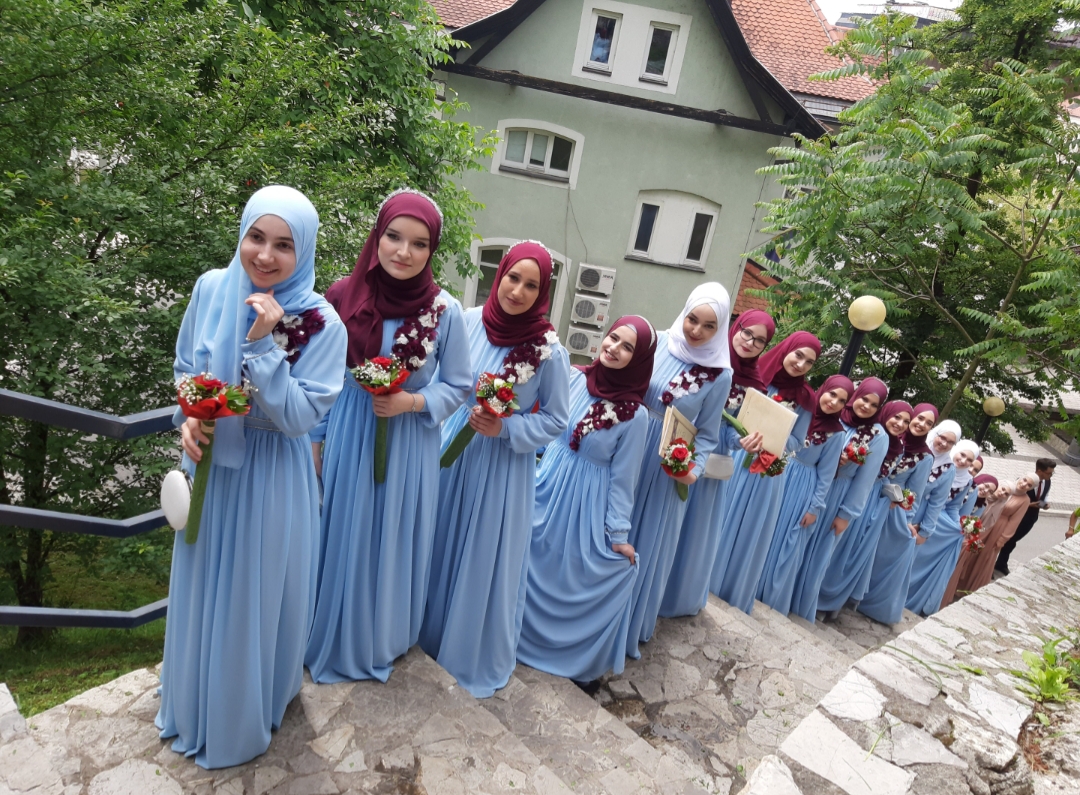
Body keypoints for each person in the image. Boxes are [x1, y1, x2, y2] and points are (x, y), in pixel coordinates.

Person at [157, 186, 348, 768]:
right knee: (202, 583)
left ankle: (238, 715)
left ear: (304, 250)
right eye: (256, 238)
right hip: (209, 466)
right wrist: (190, 416)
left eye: (284, 245)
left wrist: (263, 346)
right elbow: (186, 367)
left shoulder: (322, 323)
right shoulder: (212, 288)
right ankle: (193, 701)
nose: (265, 255)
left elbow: (299, 418)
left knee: (250, 595)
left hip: (270, 474)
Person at [305, 189, 472, 684]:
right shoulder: (343, 295)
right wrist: (315, 439)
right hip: (351, 429)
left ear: (432, 250)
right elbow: (322, 375)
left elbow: (458, 384)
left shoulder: (446, 310)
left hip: (409, 439)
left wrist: (411, 403)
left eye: (419, 244)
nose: (404, 252)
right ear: (377, 236)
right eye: (394, 237)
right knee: (344, 526)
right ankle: (331, 627)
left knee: (394, 532)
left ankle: (380, 636)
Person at [419, 242, 570, 698]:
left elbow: (556, 420)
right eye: (512, 278)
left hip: (501, 471)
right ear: (499, 275)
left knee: (479, 552)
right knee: (432, 535)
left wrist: (506, 428)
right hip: (449, 449)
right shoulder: (466, 321)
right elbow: (440, 381)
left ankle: (462, 648)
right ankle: (416, 628)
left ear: (543, 293)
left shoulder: (549, 353)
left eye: (532, 285)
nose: (518, 291)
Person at [518, 316, 656, 683]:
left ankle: (554, 648)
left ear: (639, 359)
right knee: (526, 552)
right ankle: (509, 627)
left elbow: (624, 480)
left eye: (628, 347)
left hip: (583, 501)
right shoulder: (575, 378)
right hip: (546, 480)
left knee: (564, 568)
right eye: (613, 338)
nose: (614, 348)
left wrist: (619, 536)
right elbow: (548, 429)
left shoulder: (636, 417)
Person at [623, 285, 732, 656]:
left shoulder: (719, 375)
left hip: (665, 467)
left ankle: (625, 623)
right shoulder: (655, 341)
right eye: (692, 319)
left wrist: (692, 470)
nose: (696, 330)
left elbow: (709, 434)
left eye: (709, 326)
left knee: (644, 539)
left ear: (721, 329)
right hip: (627, 444)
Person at [660, 310, 775, 618]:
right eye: (746, 333)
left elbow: (737, 431)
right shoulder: (702, 358)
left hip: (709, 462)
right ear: (734, 328)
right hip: (674, 444)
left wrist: (742, 441)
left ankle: (674, 596)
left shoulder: (755, 387)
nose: (750, 342)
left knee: (693, 530)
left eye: (760, 341)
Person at [712, 331, 821, 614]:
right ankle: (705, 576)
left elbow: (797, 441)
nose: (800, 364)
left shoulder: (806, 398)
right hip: (737, 454)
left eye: (809, 362)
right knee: (720, 513)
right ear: (786, 349)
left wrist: (773, 440)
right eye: (798, 355)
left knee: (750, 528)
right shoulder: (754, 374)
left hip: (767, 472)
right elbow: (730, 412)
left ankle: (733, 589)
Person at [789, 377, 890, 622]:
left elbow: (865, 480)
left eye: (873, 405)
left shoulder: (878, 436)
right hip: (810, 484)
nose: (866, 406)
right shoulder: (835, 413)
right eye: (864, 399)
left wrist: (846, 514)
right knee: (794, 537)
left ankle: (799, 603)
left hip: (838, 494)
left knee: (817, 552)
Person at [756, 375, 853, 615]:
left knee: (783, 539)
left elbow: (827, 474)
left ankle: (766, 593)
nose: (833, 402)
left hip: (800, 487)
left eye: (842, 401)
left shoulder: (836, 434)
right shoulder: (800, 410)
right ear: (823, 390)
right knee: (762, 529)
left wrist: (814, 507)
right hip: (776, 472)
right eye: (832, 394)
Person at [819, 400, 913, 620]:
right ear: (885, 413)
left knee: (847, 551)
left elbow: (883, 475)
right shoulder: (867, 433)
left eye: (905, 421)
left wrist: (893, 494)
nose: (900, 424)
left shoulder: (898, 448)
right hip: (847, 491)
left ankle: (828, 602)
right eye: (896, 417)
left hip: (871, 500)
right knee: (830, 544)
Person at [905, 437, 980, 616]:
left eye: (969, 460)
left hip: (937, 518)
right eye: (962, 455)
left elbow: (953, 506)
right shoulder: (938, 464)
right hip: (917, 507)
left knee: (920, 556)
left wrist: (959, 527)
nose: (964, 461)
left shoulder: (967, 481)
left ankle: (912, 595)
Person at [941, 474, 1005, 605]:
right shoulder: (963, 491)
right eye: (985, 485)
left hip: (957, 535)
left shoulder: (981, 505)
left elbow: (972, 522)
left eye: (990, 491)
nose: (985, 491)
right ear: (980, 481)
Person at [995, 457, 1056, 575]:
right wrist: (1029, 504)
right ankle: (990, 563)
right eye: (1049, 473)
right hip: (1017, 517)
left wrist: (1045, 503)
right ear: (1040, 471)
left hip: (1030, 518)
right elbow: (1011, 498)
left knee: (1013, 541)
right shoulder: (1024, 482)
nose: (1051, 475)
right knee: (1003, 539)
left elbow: (1045, 494)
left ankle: (1001, 563)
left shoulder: (1047, 481)